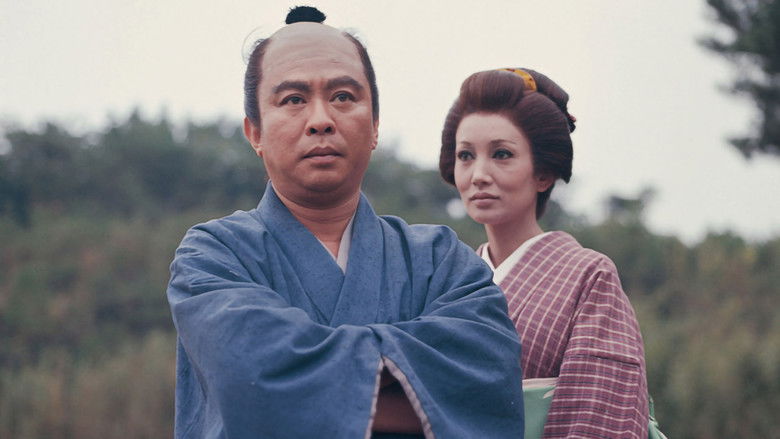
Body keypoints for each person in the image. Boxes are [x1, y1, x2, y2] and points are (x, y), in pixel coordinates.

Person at [166, 7, 525, 439]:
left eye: (342, 97)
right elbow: (248, 377)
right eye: (293, 99)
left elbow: (491, 384)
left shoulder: (440, 260)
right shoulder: (213, 256)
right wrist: (424, 387)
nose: (321, 120)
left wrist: (298, 388)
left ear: (374, 126)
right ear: (254, 132)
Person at [439, 68, 649, 438]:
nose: (479, 175)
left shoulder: (589, 277)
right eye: (466, 155)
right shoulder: (446, 280)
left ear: (543, 174)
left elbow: (598, 420)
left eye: (502, 154)